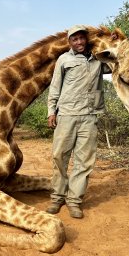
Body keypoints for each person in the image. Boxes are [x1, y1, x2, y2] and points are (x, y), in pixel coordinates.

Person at [46, 25, 111, 219]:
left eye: (82, 38)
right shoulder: (63, 60)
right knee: (60, 157)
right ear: (70, 42)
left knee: (84, 162)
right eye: (75, 39)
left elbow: (118, 62)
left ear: (86, 40)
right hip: (66, 115)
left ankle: (74, 201)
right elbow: (55, 87)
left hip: (89, 117)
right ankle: (57, 198)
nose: (79, 42)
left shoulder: (99, 61)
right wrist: (52, 111)